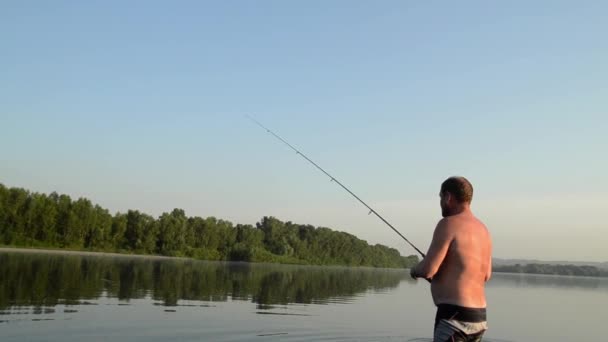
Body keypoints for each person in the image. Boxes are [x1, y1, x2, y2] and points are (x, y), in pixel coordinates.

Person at [410, 176, 492, 342]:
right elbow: (486, 275)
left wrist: (414, 270)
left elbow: (428, 270)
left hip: (454, 317)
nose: (440, 202)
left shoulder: (448, 224)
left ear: (448, 197)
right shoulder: (483, 230)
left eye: (440, 197)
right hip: (479, 317)